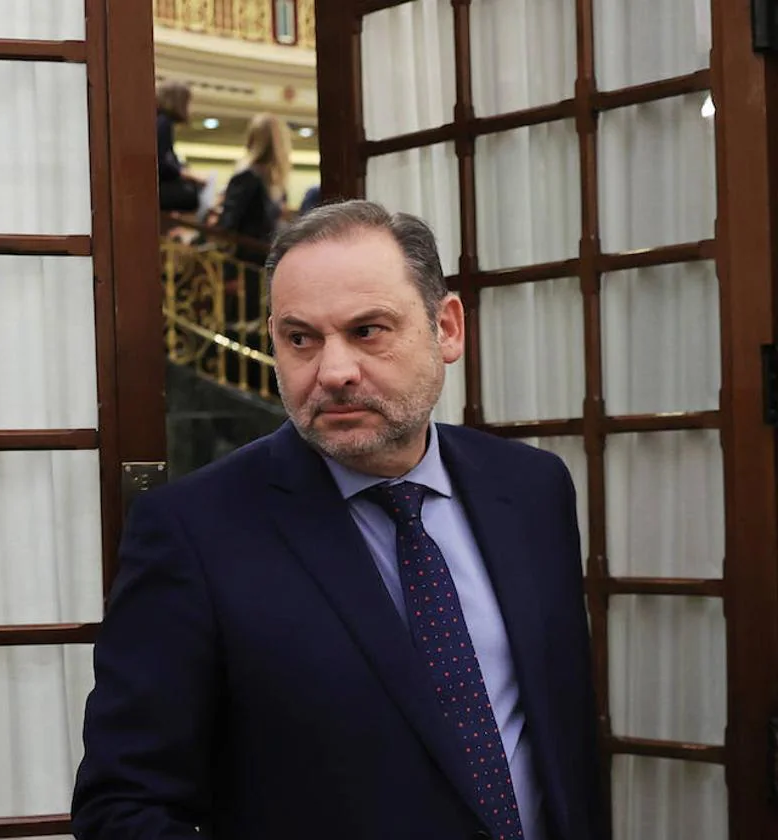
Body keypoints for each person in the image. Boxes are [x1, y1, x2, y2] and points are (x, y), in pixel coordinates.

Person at [72, 200, 605, 840]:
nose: (333, 371)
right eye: (300, 339)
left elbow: (561, 739)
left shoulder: (532, 490)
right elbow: (123, 807)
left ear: (448, 328)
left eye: (368, 330)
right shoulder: (194, 533)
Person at [214, 112, 292, 266]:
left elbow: (229, 222)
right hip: (259, 260)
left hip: (254, 259)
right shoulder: (263, 179)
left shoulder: (253, 178)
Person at [156, 81, 202, 213]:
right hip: (160, 188)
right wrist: (185, 175)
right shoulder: (164, 122)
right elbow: (162, 163)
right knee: (191, 196)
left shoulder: (160, 121)